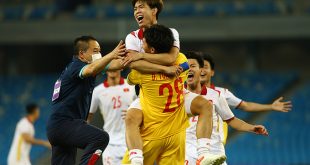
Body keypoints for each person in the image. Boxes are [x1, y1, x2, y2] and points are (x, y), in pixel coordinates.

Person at [120, 1, 225, 164]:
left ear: (154, 10)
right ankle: (136, 160)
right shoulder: (133, 37)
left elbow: (168, 58)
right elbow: (135, 63)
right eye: (134, 9)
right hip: (149, 95)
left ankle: (203, 154)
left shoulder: (170, 33)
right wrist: (165, 69)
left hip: (173, 93)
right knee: (132, 118)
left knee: (205, 105)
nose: (136, 11)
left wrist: (141, 56)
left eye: (141, 7)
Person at [46, 36, 126, 165]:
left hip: (58, 127)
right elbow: (91, 69)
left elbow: (116, 64)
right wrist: (112, 54)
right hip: (65, 123)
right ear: (82, 54)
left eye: (99, 51)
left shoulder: (79, 67)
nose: (99, 54)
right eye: (95, 51)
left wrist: (134, 56)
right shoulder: (76, 66)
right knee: (100, 138)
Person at [184, 52, 268, 165]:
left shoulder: (216, 95)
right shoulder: (177, 96)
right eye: (186, 67)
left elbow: (231, 120)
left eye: (193, 66)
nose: (189, 69)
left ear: (201, 71)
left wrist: (251, 128)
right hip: (188, 149)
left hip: (214, 151)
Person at [199, 53, 292, 144]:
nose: (202, 70)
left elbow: (246, 106)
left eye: (205, 67)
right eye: (199, 67)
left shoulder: (221, 93)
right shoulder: (186, 94)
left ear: (212, 72)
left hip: (213, 147)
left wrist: (270, 106)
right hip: (189, 147)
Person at [87, 70, 136, 165]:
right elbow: (88, 116)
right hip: (110, 144)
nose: (112, 68)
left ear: (121, 68)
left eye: (115, 65)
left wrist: (134, 113)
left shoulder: (131, 86)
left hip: (131, 142)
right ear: (106, 69)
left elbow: (143, 109)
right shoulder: (98, 91)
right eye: (110, 66)